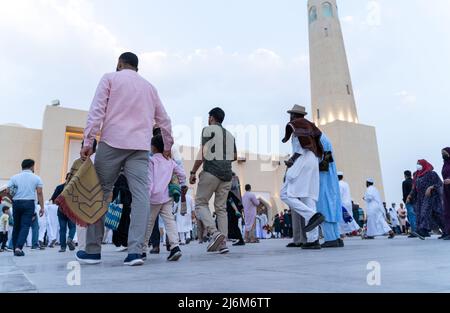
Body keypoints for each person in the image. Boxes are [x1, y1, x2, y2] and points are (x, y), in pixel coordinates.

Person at [78, 52, 173, 266]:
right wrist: (166, 145)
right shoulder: (149, 87)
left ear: (120, 63)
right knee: (141, 196)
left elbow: (96, 112)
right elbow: (164, 120)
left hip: (111, 142)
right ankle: (135, 252)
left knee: (100, 192)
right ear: (137, 68)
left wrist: (87, 142)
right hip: (139, 147)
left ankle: (93, 251)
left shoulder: (110, 78)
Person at [189, 107, 237, 254]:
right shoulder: (230, 135)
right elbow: (234, 156)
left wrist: (193, 171)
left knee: (200, 203)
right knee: (221, 209)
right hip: (227, 175)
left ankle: (214, 233)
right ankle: (223, 244)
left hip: (211, 172)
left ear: (211, 118)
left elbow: (203, 153)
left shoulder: (208, 130)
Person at [280, 105, 324, 250]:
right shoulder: (311, 126)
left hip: (303, 160)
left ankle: (313, 216)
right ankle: (313, 240)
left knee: (285, 194)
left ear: (294, 115)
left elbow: (300, 149)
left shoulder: (296, 125)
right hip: (314, 162)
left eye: (290, 114)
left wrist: (291, 162)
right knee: (308, 198)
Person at [141, 135, 186, 262]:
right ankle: (175, 247)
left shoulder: (151, 161)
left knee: (148, 224)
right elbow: (181, 173)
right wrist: (183, 184)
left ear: (153, 147)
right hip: (166, 197)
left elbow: (149, 181)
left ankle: (142, 250)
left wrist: (147, 196)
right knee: (170, 222)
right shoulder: (170, 162)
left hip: (153, 198)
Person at [5, 159, 45, 257]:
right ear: (31, 166)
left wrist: (12, 199)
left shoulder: (14, 177)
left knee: (16, 226)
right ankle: (19, 247)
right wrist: (42, 207)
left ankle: (15, 249)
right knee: (25, 225)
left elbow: (7, 190)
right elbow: (39, 193)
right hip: (29, 203)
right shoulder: (36, 178)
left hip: (17, 202)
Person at [316, 134, 344, 248]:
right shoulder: (326, 139)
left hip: (324, 176)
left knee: (324, 206)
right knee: (332, 208)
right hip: (330, 176)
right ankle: (336, 237)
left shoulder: (319, 139)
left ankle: (330, 238)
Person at [407, 160, 445, 240]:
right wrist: (410, 195)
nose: (418, 165)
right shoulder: (417, 176)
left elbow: (440, 184)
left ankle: (424, 230)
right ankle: (424, 231)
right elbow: (415, 188)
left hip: (432, 197)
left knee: (436, 214)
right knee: (429, 215)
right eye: (417, 164)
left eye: (419, 164)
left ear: (424, 165)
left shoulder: (432, 174)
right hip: (421, 198)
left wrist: (431, 187)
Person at [51, 173, 76, 253]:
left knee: (62, 229)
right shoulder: (75, 188)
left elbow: (54, 200)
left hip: (61, 210)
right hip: (71, 210)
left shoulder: (59, 187)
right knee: (72, 227)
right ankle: (70, 239)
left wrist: (61, 204)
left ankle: (62, 247)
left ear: (66, 178)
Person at [111, 174, 132, 252]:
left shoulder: (116, 189)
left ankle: (119, 243)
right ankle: (125, 242)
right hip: (126, 209)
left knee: (117, 225)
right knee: (126, 225)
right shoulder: (127, 188)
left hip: (117, 210)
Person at [338, 172, 360, 236]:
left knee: (344, 218)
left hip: (342, 204)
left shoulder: (338, 184)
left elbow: (339, 194)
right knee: (349, 217)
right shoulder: (346, 184)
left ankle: (357, 229)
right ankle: (343, 233)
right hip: (348, 203)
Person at [403, 170, 417, 237]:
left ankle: (414, 232)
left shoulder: (405, 182)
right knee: (416, 216)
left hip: (409, 201)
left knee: (411, 217)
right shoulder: (414, 181)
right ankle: (418, 230)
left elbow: (405, 193)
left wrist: (405, 201)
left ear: (405, 175)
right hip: (416, 201)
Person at [442, 148, 450, 240]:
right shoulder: (445, 164)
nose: (443, 155)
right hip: (447, 190)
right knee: (447, 210)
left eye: (444, 153)